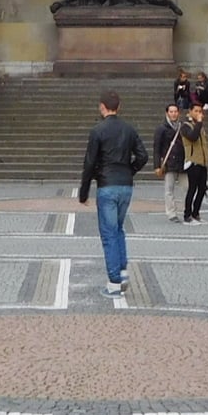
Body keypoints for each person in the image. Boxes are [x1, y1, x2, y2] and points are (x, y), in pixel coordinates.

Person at [77, 89, 147, 298]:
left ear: (102, 107)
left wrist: (83, 192)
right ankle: (123, 271)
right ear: (119, 106)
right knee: (118, 229)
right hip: (126, 185)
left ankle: (114, 282)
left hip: (107, 185)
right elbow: (143, 156)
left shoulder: (97, 131)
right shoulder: (129, 129)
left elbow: (89, 163)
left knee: (108, 234)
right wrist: (130, 170)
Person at [152, 104, 185, 222]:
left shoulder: (182, 127)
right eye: (171, 112)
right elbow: (157, 148)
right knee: (169, 189)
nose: (173, 114)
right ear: (167, 113)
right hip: (169, 162)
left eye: (175, 111)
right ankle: (171, 213)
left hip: (182, 162)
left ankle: (188, 211)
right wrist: (157, 165)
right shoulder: (161, 129)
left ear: (178, 113)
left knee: (187, 187)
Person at [180, 104, 208, 225]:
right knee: (192, 189)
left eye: (200, 111)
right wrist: (198, 123)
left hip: (202, 161)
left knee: (202, 188)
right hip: (192, 161)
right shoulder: (185, 126)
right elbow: (193, 137)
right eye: (196, 111)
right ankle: (187, 215)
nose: (199, 113)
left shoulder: (200, 126)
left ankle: (196, 213)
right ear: (190, 112)